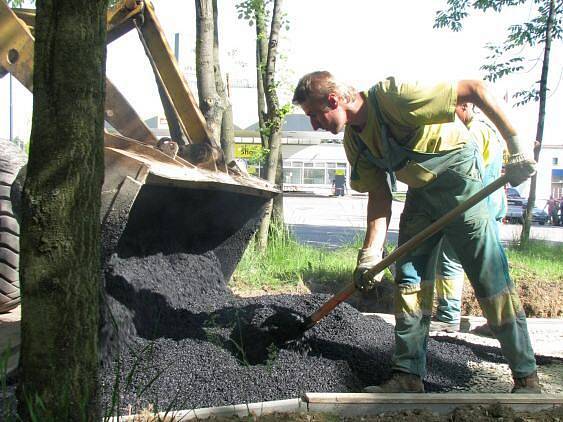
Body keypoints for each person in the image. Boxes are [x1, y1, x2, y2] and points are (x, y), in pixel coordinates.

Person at [292, 71, 539, 393]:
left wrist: (516, 147)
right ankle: (407, 375)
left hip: (460, 183)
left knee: (488, 277)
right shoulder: (356, 141)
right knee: (409, 279)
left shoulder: (395, 97)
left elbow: (476, 90)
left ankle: (526, 376)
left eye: (314, 115)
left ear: (333, 100)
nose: (314, 125)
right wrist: (369, 256)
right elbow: (379, 198)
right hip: (421, 195)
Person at [428, 103, 507, 333]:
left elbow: (466, 171)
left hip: (472, 204)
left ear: (464, 107)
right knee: (489, 262)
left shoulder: (473, 132)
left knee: (449, 258)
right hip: (491, 203)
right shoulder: (490, 130)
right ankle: (500, 321)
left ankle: (448, 315)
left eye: (450, 110)